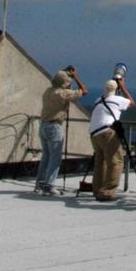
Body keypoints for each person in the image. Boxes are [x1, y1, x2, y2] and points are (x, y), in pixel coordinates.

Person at [35, 66, 88, 195]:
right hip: (54, 126)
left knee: (46, 156)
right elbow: (84, 91)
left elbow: (59, 82)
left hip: (43, 125)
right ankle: (49, 186)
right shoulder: (63, 93)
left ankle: (40, 184)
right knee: (55, 158)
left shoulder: (48, 91)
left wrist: (65, 73)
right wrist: (75, 77)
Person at [88, 73, 135, 202]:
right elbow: (131, 103)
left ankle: (97, 189)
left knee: (100, 162)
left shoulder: (98, 99)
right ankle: (107, 192)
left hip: (94, 133)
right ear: (116, 89)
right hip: (107, 132)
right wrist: (123, 87)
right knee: (116, 162)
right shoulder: (117, 99)